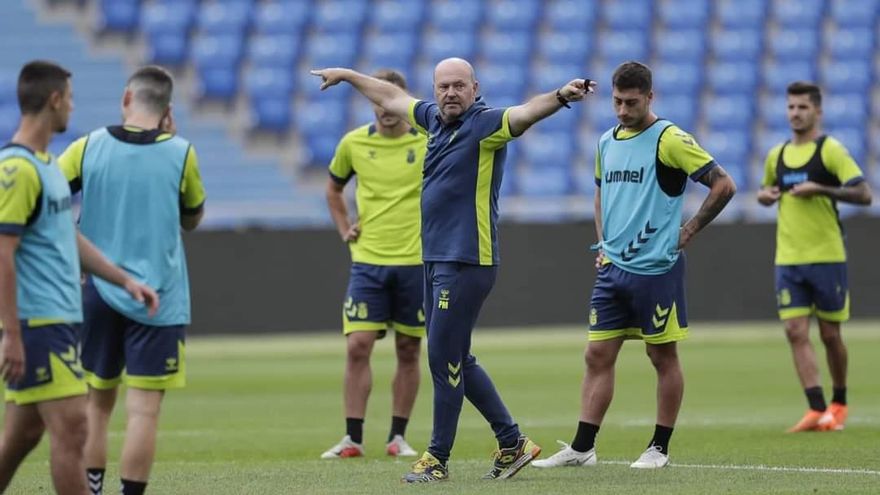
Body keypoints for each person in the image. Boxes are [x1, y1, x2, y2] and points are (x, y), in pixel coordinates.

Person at [312, 58, 596, 482]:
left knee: (443, 357)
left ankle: (437, 458)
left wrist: (560, 96)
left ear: (474, 88)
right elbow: (391, 96)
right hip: (436, 258)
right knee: (457, 357)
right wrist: (349, 76)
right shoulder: (432, 119)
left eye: (458, 86)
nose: (450, 93)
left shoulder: (486, 125)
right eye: (443, 86)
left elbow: (525, 113)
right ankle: (512, 442)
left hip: (466, 260)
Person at [532, 61, 737, 470]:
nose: (623, 110)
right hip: (613, 269)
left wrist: (690, 228)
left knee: (661, 356)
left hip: (656, 270)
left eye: (631, 102)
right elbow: (600, 194)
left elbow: (724, 184)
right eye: (617, 102)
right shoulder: (606, 142)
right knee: (597, 355)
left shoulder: (670, 139)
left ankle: (658, 447)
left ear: (649, 97)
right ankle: (582, 448)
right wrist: (603, 242)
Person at [0, 60, 159, 495]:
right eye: (69, 98)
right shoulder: (16, 170)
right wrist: (11, 333)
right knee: (73, 430)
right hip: (38, 324)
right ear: (54, 100)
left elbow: (66, 237)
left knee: (21, 437)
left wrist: (123, 280)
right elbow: (2, 253)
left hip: (59, 321)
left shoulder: (48, 165)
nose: (72, 106)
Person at [57, 65, 205, 495]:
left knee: (96, 406)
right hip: (158, 297)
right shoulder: (182, 152)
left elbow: (48, 199)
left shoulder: (86, 147)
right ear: (168, 110)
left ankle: (92, 489)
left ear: (126, 98)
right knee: (143, 412)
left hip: (97, 291)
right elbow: (192, 218)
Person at [320, 69, 426, 460]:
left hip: (415, 261)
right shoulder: (353, 144)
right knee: (358, 346)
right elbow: (333, 189)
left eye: (390, 100)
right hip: (368, 260)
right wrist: (343, 227)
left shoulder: (426, 141)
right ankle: (353, 438)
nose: (385, 108)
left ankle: (398, 437)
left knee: (409, 349)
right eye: (377, 101)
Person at [756, 82, 871, 433]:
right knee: (794, 330)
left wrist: (820, 188)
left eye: (802, 107)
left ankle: (839, 403)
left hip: (826, 255)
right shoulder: (776, 155)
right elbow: (765, 190)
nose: (795, 113)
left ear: (817, 111)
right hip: (788, 257)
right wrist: (765, 196)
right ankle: (816, 408)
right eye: (791, 107)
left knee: (830, 334)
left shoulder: (830, 150)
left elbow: (864, 194)